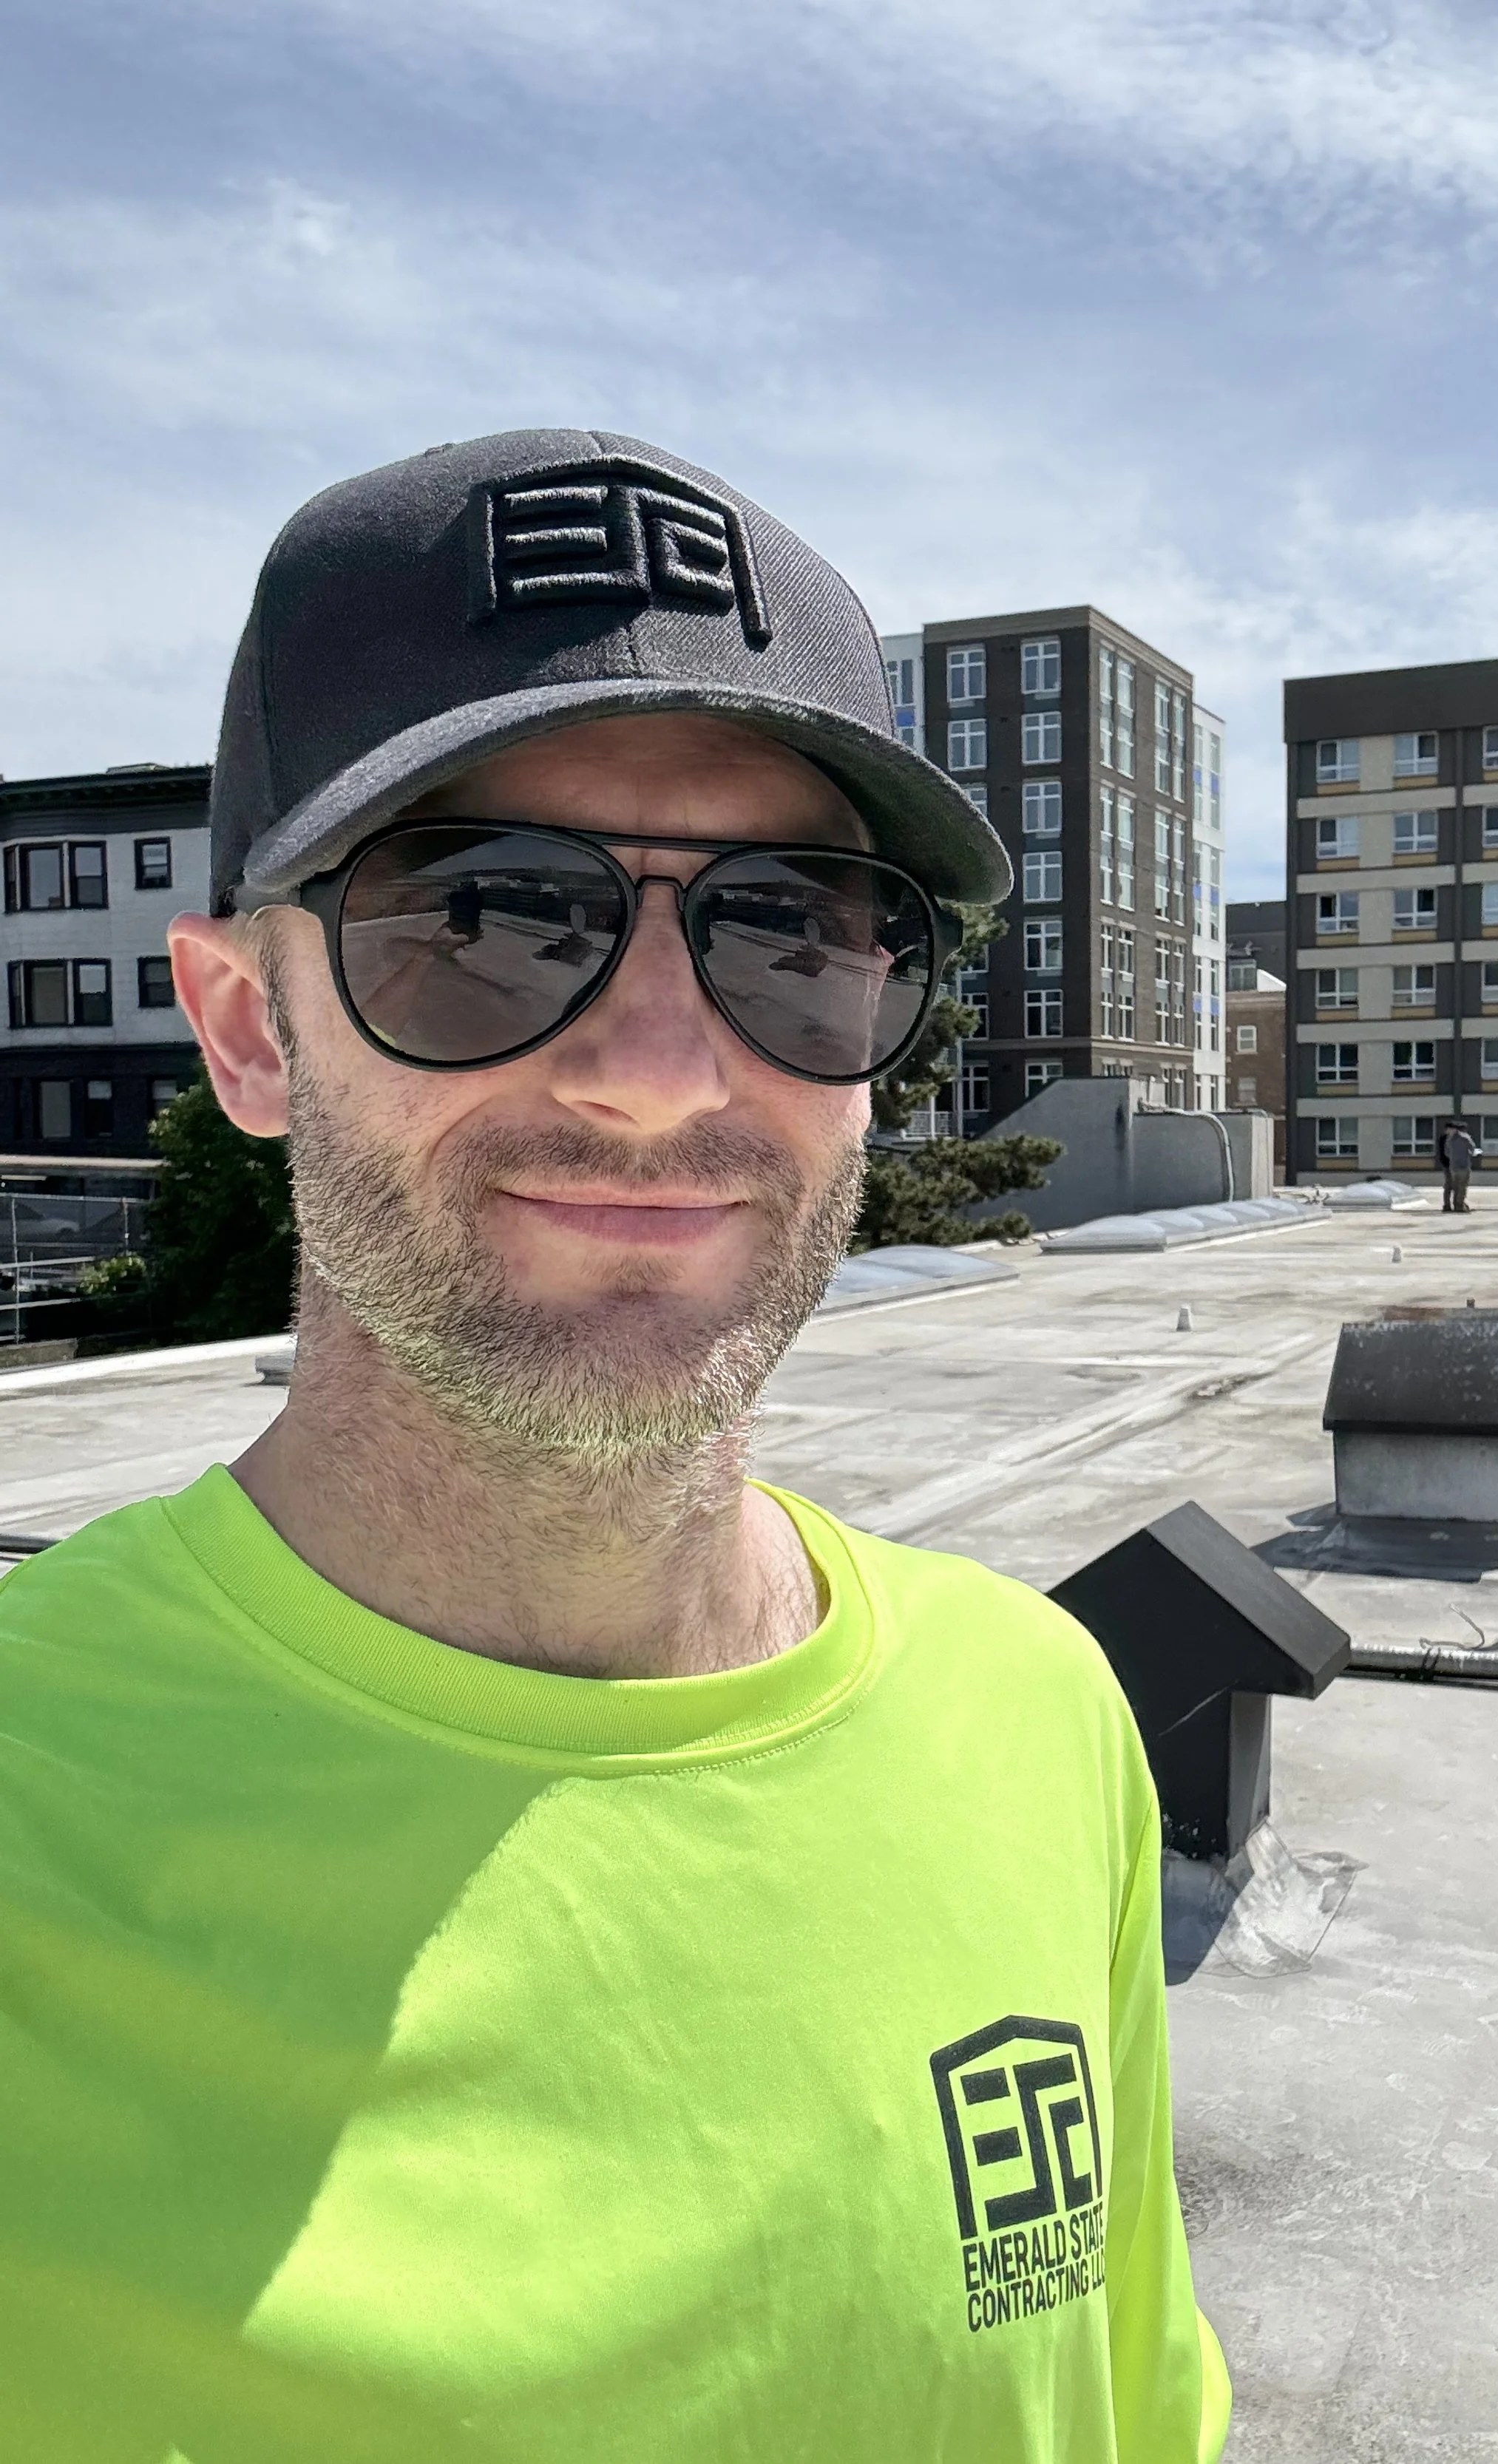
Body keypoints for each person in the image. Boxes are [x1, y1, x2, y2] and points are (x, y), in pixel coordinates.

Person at [0, 431, 1230, 2463]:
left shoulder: (1038, 1717)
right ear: (240, 1028)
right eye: (480, 914)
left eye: (791, 930)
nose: (663, 1071)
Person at [1440, 1117, 1478, 1212]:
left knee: (1456, 1187)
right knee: (1462, 1187)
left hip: (1453, 1167)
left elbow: (1447, 1153)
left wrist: (1453, 1158)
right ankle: (1459, 1206)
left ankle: (1456, 1205)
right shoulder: (1465, 1138)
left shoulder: (1449, 1140)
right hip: (1464, 1165)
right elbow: (1473, 1149)